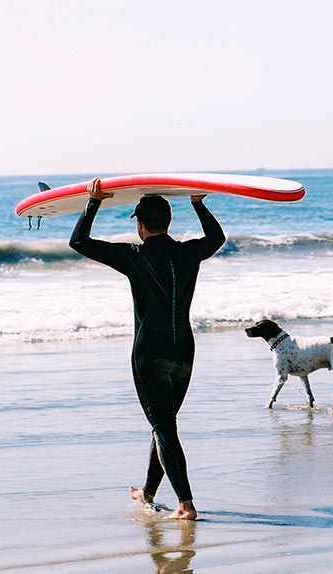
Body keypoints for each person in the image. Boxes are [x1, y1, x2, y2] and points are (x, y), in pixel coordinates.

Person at [69, 178, 225, 520]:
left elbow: (78, 241)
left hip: (150, 354)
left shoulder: (134, 256)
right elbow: (218, 238)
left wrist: (93, 203)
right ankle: (149, 492)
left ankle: (186, 504)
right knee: (164, 425)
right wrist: (199, 204)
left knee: (163, 427)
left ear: (141, 226)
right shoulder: (189, 252)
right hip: (184, 350)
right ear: (167, 223)